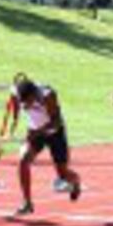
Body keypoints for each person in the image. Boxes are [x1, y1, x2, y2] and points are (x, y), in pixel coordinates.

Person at [10, 78, 81, 215]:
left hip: (55, 133)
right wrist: (15, 118)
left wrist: (37, 132)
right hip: (35, 131)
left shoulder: (48, 95)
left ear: (33, 95)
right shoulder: (16, 92)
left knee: (62, 173)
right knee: (23, 160)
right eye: (22, 102)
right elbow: (14, 99)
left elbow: (56, 121)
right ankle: (27, 203)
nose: (25, 105)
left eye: (28, 102)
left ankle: (76, 181)